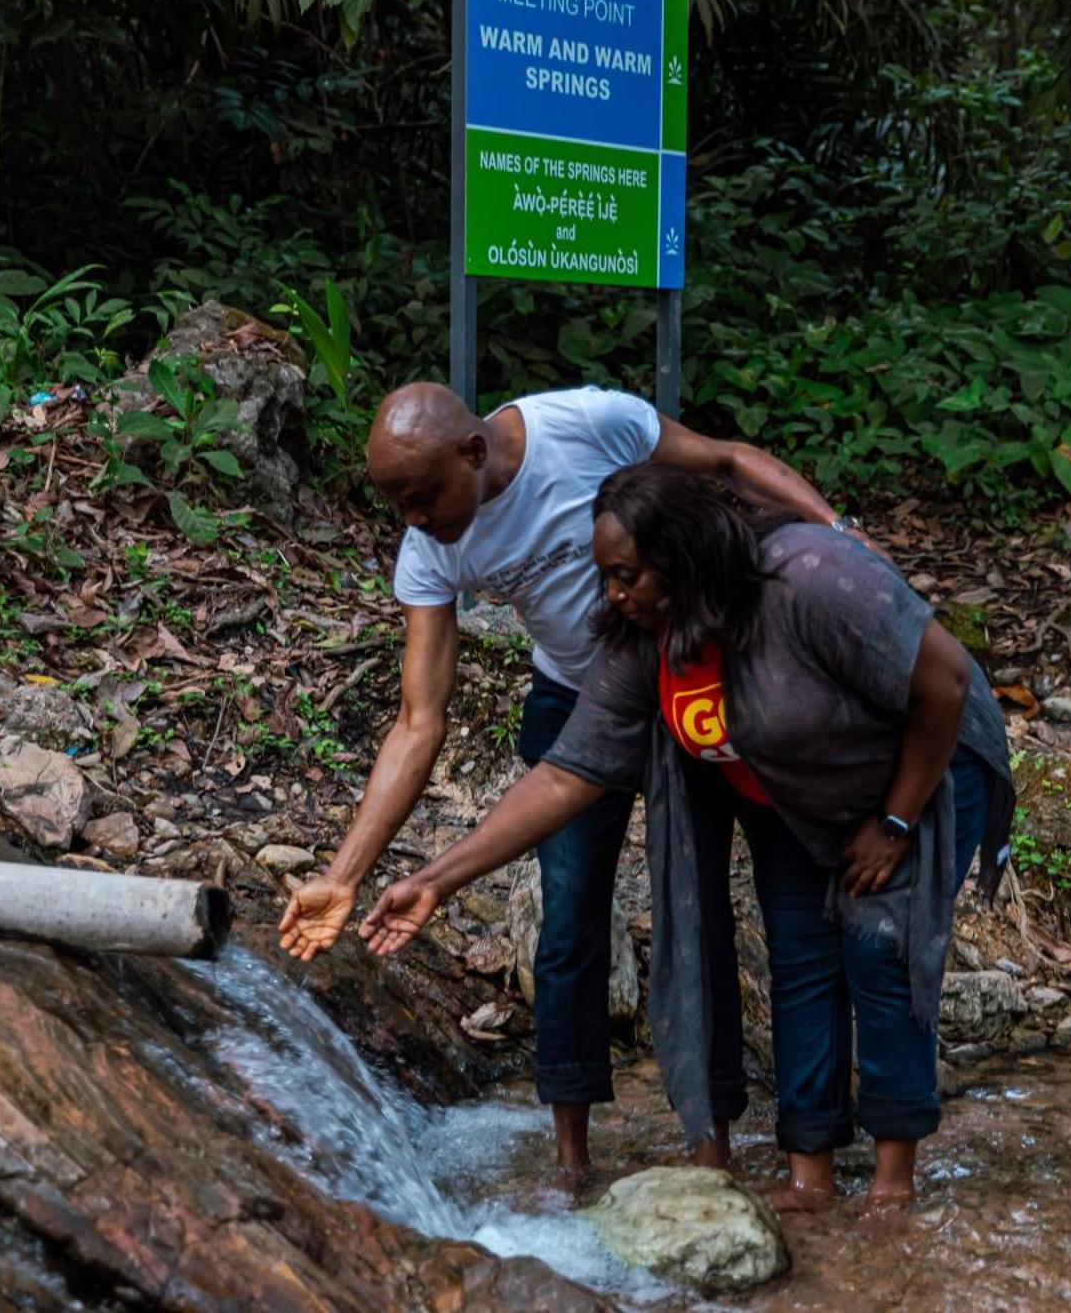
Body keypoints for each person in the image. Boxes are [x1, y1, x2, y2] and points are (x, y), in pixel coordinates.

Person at [357, 463, 1015, 1212]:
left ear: (684, 553)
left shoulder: (808, 576)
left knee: (876, 946)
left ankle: (894, 1187)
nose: (612, 594)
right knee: (801, 957)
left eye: (626, 574)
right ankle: (812, 1175)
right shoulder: (646, 640)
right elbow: (566, 775)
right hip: (800, 796)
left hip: (925, 768)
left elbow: (947, 681)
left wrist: (895, 820)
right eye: (605, 576)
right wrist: (437, 879)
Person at [277, 382, 847, 1183]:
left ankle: (714, 1138)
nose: (414, 520)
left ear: (472, 452)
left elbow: (726, 460)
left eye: (421, 497)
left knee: (701, 909)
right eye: (396, 504)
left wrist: (840, 538)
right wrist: (342, 876)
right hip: (578, 700)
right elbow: (418, 719)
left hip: (692, 683)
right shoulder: (432, 550)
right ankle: (572, 1159)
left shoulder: (585, 423)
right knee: (570, 920)